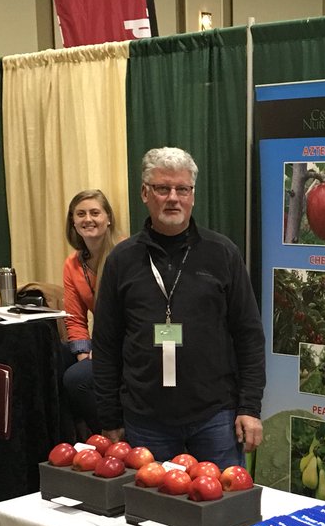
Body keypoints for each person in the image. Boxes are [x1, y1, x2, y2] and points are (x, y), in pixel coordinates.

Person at [92, 147, 265, 468]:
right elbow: (105, 345)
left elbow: (249, 336)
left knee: (223, 513)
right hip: (145, 422)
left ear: (192, 196)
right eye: (162, 188)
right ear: (145, 193)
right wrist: (110, 418)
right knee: (152, 514)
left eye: (182, 189)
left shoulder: (223, 254)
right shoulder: (122, 260)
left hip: (216, 418)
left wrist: (249, 408)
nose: (173, 198)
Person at [61, 189, 119, 437]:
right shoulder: (72, 264)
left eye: (95, 212)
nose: (88, 219)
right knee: (55, 359)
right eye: (81, 213)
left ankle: (112, 435)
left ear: (108, 219)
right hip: (100, 344)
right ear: (73, 221)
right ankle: (72, 439)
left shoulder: (125, 253)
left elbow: (131, 317)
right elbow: (74, 318)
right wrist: (83, 353)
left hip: (127, 344)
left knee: (77, 378)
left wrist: (101, 352)